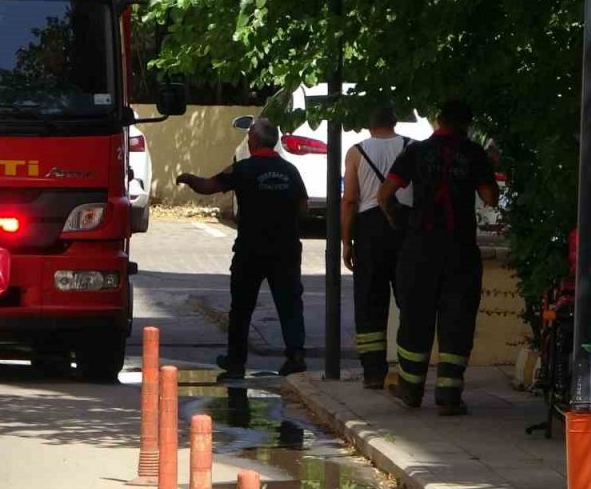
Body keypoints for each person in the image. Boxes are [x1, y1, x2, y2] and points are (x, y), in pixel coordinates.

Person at [376, 99, 499, 416]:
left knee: (415, 317)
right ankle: (448, 396)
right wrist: (491, 165)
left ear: (438, 120)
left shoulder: (416, 152)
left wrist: (399, 221)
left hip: (420, 247)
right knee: (457, 318)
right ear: (466, 124)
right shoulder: (474, 154)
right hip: (459, 249)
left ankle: (411, 388)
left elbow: (385, 195)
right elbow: (489, 198)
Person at [176, 117, 309, 380]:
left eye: (249, 135)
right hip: (285, 250)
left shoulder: (243, 169)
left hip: (251, 250)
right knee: (290, 303)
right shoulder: (290, 171)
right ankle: (296, 356)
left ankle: (235, 361)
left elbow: (208, 186)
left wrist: (188, 178)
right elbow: (303, 207)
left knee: (242, 307)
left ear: (254, 140)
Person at [341, 106, 413, 389]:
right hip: (405, 227)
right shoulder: (411, 147)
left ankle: (373, 372)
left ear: (369, 126)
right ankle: (409, 369)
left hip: (370, 230)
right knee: (408, 299)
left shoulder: (357, 151)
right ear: (395, 122)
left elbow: (349, 200)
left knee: (370, 299)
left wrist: (347, 242)